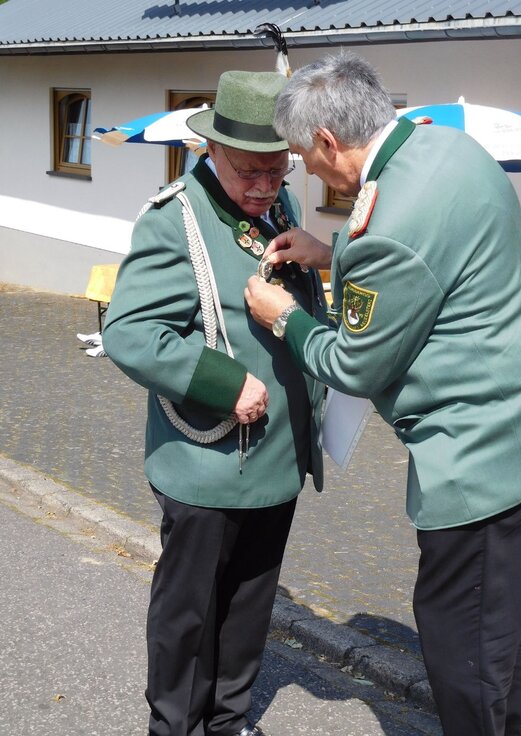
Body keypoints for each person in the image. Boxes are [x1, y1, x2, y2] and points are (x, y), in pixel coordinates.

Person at [245, 53, 521, 736]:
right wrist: (333, 255)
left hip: (480, 463)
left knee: (464, 657)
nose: (305, 172)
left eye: (301, 157)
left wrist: (284, 316)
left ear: (328, 141)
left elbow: (352, 365)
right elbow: (438, 256)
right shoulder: (451, 149)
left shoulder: (384, 226)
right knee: (503, 646)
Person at [102, 70, 327, 736]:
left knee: (250, 607)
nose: (264, 187)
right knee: (189, 615)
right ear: (212, 151)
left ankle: (228, 720)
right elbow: (130, 333)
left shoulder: (280, 208)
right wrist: (227, 384)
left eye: (277, 171)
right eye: (249, 172)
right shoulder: (175, 219)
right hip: (207, 463)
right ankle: (174, 725)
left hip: (276, 457)